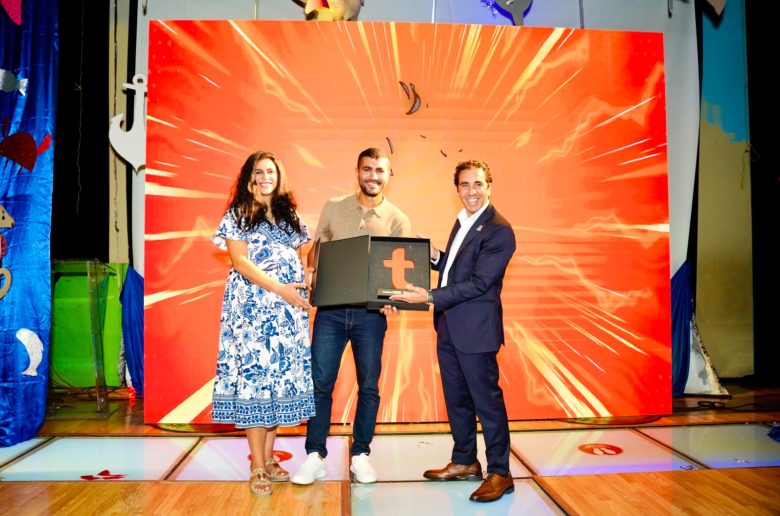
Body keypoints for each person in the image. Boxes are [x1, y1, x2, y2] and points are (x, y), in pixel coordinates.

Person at [390, 159, 516, 503]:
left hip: (476, 330)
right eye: (464, 185)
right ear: (457, 188)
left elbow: (479, 282)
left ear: (489, 186)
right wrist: (435, 257)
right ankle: (464, 461)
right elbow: (457, 269)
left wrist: (429, 296)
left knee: (487, 403)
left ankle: (501, 472)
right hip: (449, 325)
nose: (471, 191)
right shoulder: (463, 221)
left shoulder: (499, 230)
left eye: (478, 184)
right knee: (457, 400)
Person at [291, 147, 411, 485]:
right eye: (367, 169)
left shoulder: (398, 219)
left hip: (371, 316)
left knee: (369, 385)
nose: (373, 176)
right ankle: (315, 455)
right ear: (357, 172)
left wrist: (392, 300)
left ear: (388, 175)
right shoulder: (333, 206)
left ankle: (361, 455)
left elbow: (398, 273)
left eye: (380, 170)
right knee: (320, 383)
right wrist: (312, 270)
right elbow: (317, 251)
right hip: (330, 312)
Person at [211, 150, 315, 496]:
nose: (265, 177)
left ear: (278, 176)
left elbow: (303, 256)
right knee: (255, 383)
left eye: (271, 171)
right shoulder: (239, 214)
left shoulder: (290, 215)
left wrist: (301, 285)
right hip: (252, 311)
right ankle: (257, 465)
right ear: (249, 178)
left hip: (286, 315)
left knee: (275, 385)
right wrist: (281, 289)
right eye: (259, 172)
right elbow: (240, 262)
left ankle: (269, 460)